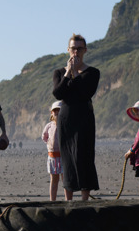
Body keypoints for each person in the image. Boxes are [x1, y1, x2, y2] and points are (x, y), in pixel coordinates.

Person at [52, 34, 100, 200]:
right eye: (73, 48)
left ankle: (85, 199)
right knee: (67, 158)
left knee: (84, 155)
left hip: (84, 117)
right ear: (68, 50)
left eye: (79, 49)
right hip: (66, 118)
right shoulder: (58, 72)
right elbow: (58, 93)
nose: (76, 52)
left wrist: (76, 74)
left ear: (85, 50)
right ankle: (69, 199)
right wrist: (67, 74)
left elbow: (86, 92)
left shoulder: (92, 72)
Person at [42, 101, 64, 201]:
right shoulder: (49, 126)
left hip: (64, 157)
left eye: (59, 110)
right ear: (51, 113)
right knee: (54, 181)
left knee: (65, 181)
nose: (57, 113)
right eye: (55, 111)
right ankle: (52, 200)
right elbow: (44, 137)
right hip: (52, 157)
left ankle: (68, 200)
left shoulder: (65, 124)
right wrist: (49, 144)